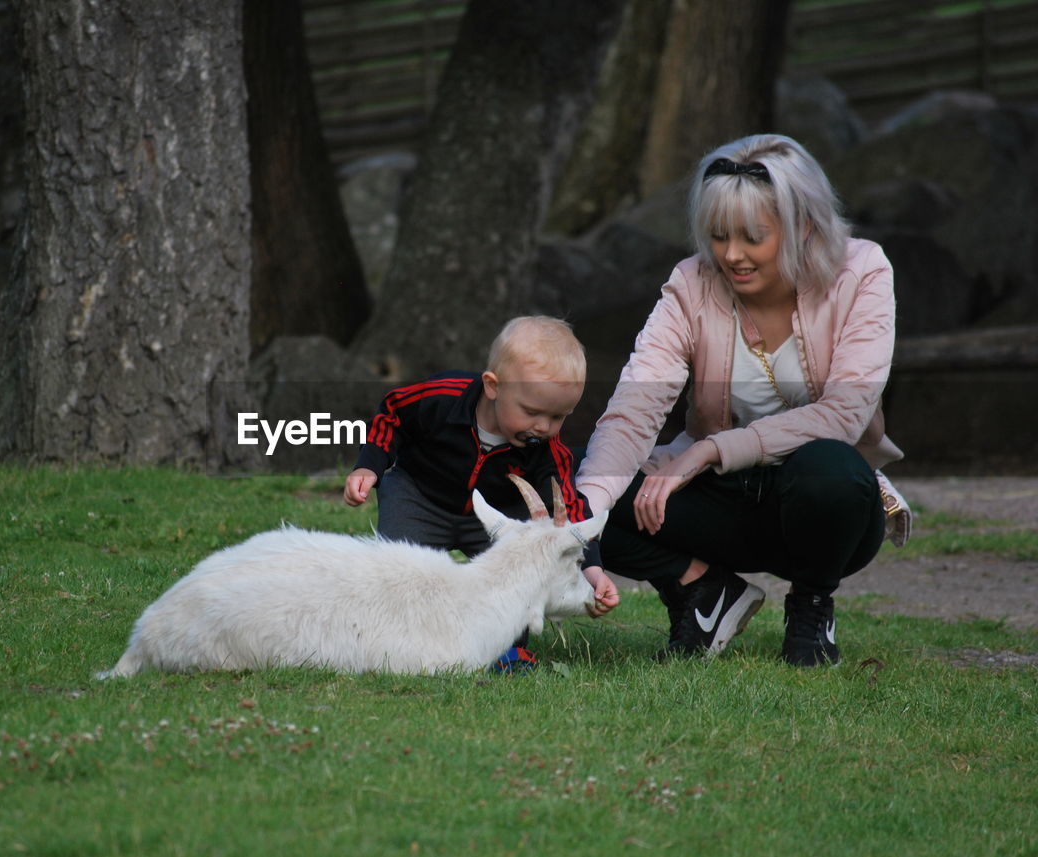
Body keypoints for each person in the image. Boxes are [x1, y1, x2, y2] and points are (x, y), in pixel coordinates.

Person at [576, 133, 908, 667]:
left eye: (753, 237)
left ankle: (811, 606)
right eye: (718, 236)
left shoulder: (863, 270)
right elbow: (635, 407)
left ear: (802, 226)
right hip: (723, 503)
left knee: (831, 468)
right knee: (592, 488)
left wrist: (709, 450)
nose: (731, 255)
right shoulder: (691, 282)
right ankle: (704, 591)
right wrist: (584, 517)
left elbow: (847, 414)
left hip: (824, 511)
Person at [344, 316, 620, 671]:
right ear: (493, 386)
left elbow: (571, 506)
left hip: (494, 518)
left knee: (520, 570)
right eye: (532, 412)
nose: (544, 427)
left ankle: (507, 649)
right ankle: (384, 634)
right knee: (398, 568)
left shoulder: (546, 450)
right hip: (419, 496)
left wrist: (592, 570)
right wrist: (370, 465)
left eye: (558, 417)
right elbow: (393, 413)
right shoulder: (444, 397)